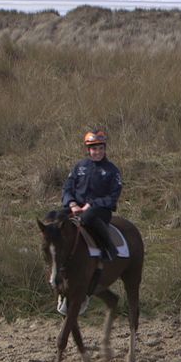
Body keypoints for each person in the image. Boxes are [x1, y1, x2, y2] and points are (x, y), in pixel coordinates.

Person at [57, 130, 122, 315]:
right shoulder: (79, 167)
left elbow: (113, 196)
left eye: (100, 148)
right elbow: (67, 187)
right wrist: (71, 203)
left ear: (104, 149)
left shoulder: (112, 170)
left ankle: (108, 249)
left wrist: (90, 205)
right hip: (76, 208)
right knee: (54, 217)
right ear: (88, 150)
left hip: (99, 211)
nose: (97, 152)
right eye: (94, 149)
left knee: (89, 217)